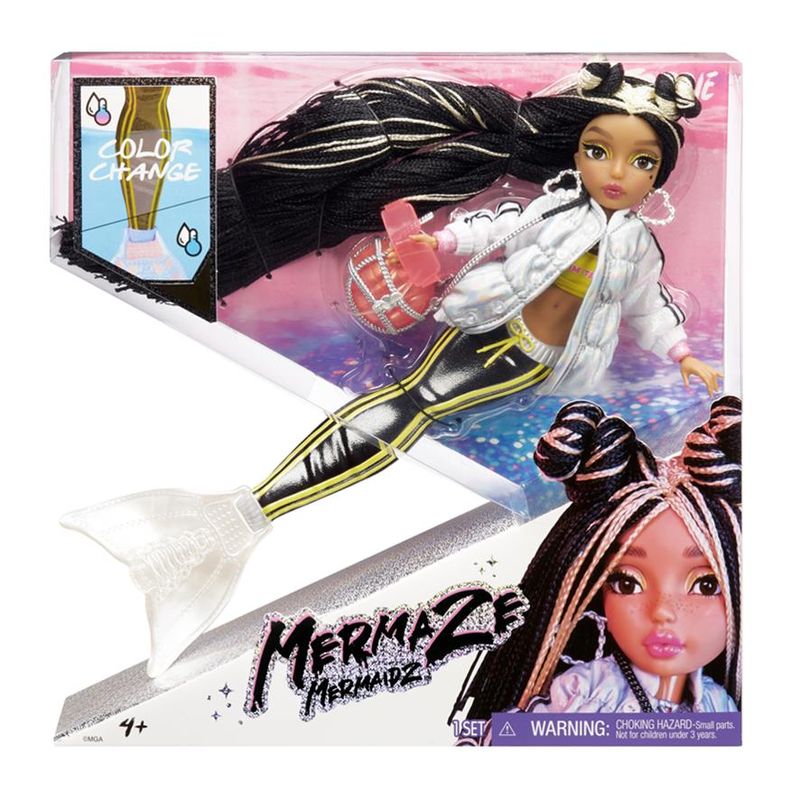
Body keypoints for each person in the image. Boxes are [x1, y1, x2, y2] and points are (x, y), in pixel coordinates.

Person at [61, 62, 726, 676]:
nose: (616, 171)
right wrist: (433, 240)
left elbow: (651, 307)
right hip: (493, 319)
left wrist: (682, 354)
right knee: (414, 400)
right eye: (599, 150)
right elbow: (493, 226)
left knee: (418, 406)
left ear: (657, 178)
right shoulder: (552, 207)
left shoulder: (639, 249)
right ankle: (248, 512)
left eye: (642, 161)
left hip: (536, 362)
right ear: (575, 152)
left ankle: (246, 515)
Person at [451, 396, 741, 743]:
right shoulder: (585, 691)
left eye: (706, 585)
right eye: (627, 583)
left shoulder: (717, 708)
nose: (663, 611)